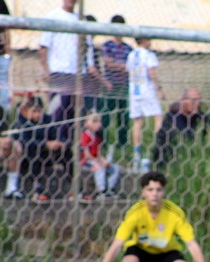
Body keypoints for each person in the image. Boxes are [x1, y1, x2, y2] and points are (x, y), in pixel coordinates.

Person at [39, 0, 101, 143]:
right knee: (57, 113)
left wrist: (90, 67)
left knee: (75, 116)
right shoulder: (53, 16)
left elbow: (88, 47)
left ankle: (70, 148)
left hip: (78, 75)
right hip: (59, 73)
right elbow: (44, 46)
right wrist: (45, 69)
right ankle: (54, 146)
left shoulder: (81, 19)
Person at [11, 96, 70, 203]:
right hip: (27, 157)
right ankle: (37, 191)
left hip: (47, 155)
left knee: (68, 153)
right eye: (34, 111)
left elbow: (57, 134)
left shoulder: (47, 120)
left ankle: (76, 188)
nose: (37, 114)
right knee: (35, 152)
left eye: (39, 111)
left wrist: (61, 143)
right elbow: (24, 142)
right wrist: (45, 144)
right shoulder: (21, 122)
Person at [152, 87, 210, 170]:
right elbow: (187, 139)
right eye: (194, 100)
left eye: (199, 100)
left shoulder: (197, 115)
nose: (198, 103)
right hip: (170, 162)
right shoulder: (173, 117)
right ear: (183, 101)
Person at [126, 36, 164, 169]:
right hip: (147, 89)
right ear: (144, 40)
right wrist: (159, 89)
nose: (150, 42)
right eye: (149, 39)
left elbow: (129, 71)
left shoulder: (131, 55)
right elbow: (151, 72)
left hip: (134, 91)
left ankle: (136, 154)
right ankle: (158, 148)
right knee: (158, 117)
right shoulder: (149, 54)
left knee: (137, 122)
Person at [100, 15, 134, 157]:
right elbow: (109, 64)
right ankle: (103, 143)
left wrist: (119, 66)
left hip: (124, 85)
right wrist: (123, 66)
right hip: (110, 85)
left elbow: (131, 67)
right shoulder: (107, 45)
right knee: (106, 116)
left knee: (123, 116)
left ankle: (122, 144)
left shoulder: (128, 48)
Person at [80, 112, 120, 200]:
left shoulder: (97, 137)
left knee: (115, 168)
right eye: (94, 121)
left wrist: (104, 161)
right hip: (87, 164)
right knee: (99, 168)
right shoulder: (85, 136)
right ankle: (101, 190)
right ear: (86, 123)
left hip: (96, 161)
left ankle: (110, 189)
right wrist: (99, 162)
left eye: (99, 121)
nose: (98, 124)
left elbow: (98, 154)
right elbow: (87, 155)